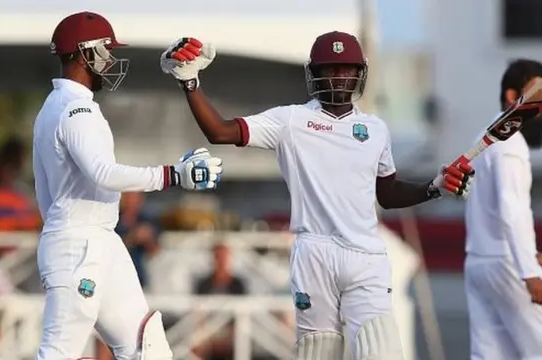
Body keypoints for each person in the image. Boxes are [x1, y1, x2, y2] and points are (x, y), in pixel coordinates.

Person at [160, 32, 475, 360]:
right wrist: (189, 81)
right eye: (331, 69)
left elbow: (388, 193)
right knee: (318, 354)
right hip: (314, 255)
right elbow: (220, 131)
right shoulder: (290, 121)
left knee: (382, 352)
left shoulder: (376, 129)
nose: (339, 77)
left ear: (359, 73)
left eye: (347, 69)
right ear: (315, 74)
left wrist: (433, 187)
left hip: (366, 255)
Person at [32, 12, 223, 360]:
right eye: (105, 50)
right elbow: (103, 173)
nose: (110, 59)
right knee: (59, 353)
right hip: (78, 245)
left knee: (147, 350)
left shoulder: (62, 106)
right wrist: (173, 174)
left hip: (101, 241)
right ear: (82, 53)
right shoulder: (75, 109)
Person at [463, 59, 542, 359]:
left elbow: (493, 210)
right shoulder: (510, 143)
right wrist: (528, 269)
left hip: (479, 263)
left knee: (491, 355)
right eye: (538, 92)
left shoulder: (486, 137)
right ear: (513, 97)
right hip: (506, 265)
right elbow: (512, 209)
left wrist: (531, 255)